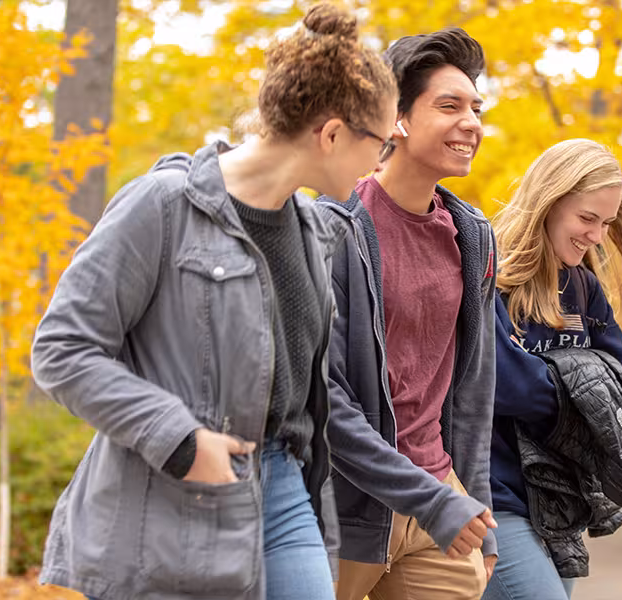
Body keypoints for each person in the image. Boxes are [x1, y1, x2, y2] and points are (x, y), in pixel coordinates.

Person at [29, 5, 397, 599]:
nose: (381, 162)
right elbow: (62, 350)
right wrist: (179, 438)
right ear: (331, 134)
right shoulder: (162, 204)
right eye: (380, 143)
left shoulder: (314, 232)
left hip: (281, 491)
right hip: (167, 498)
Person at [315, 27, 498, 600]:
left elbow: (472, 394)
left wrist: (476, 506)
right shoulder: (334, 227)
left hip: (440, 502)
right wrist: (430, 498)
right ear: (397, 118)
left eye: (476, 107)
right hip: (348, 502)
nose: (471, 122)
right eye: (449, 105)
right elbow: (324, 395)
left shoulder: (473, 238)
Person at [481, 139, 622, 600]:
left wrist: (554, 381)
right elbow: (505, 385)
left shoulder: (584, 288)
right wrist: (578, 382)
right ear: (549, 201)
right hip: (491, 498)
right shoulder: (488, 276)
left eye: (605, 223)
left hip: (560, 507)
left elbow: (620, 390)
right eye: (587, 219)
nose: (597, 236)